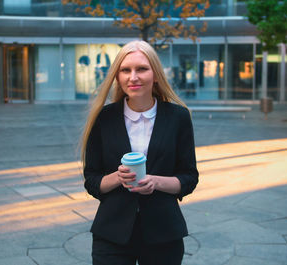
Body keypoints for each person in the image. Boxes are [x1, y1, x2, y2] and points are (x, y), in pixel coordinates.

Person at [80, 40, 199, 265]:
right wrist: (118, 177)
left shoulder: (178, 117)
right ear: (117, 76)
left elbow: (189, 178)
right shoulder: (103, 118)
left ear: (155, 75)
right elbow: (92, 181)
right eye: (125, 70)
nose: (133, 77)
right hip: (112, 233)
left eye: (142, 69)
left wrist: (155, 182)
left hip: (164, 232)